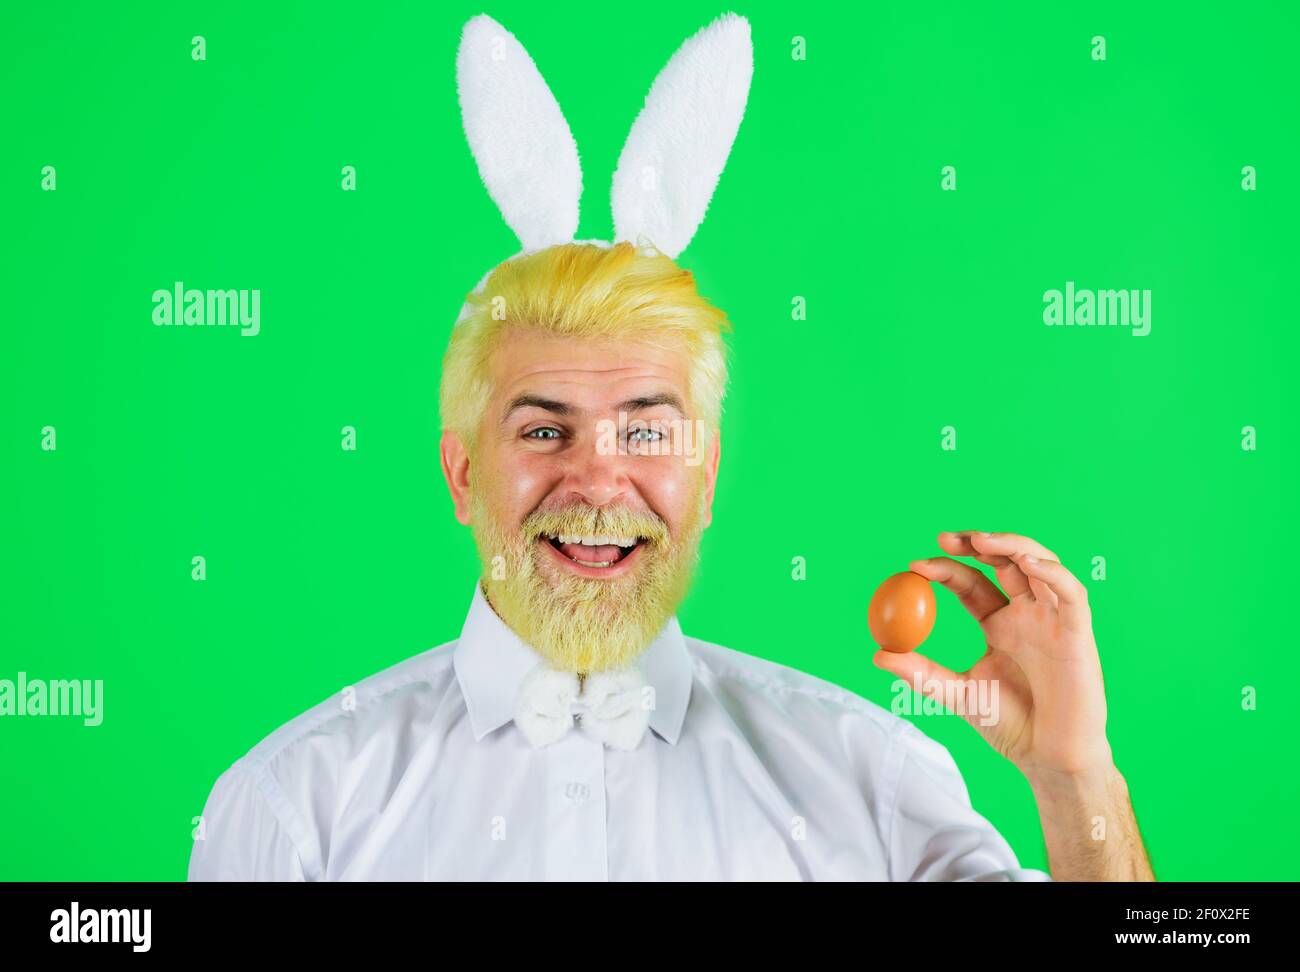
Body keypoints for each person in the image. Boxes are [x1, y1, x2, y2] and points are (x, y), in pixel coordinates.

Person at [189, 13, 1153, 882]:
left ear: (707, 474)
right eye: (542, 429)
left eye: (647, 429)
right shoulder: (296, 810)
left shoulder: (874, 781)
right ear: (463, 473)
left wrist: (1075, 781)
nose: (599, 477)